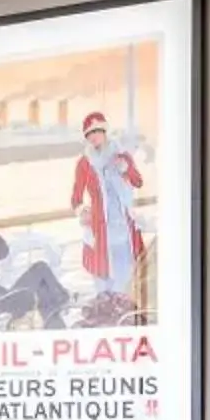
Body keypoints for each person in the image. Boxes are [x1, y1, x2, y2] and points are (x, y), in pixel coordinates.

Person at [70, 111, 147, 307]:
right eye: (89, 134)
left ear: (105, 131)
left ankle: (125, 311)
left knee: (126, 274)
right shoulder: (84, 163)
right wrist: (82, 211)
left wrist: (126, 170)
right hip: (100, 228)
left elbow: (138, 182)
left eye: (97, 131)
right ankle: (107, 314)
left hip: (124, 224)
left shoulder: (122, 156)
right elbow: (76, 197)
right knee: (102, 276)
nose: (94, 137)